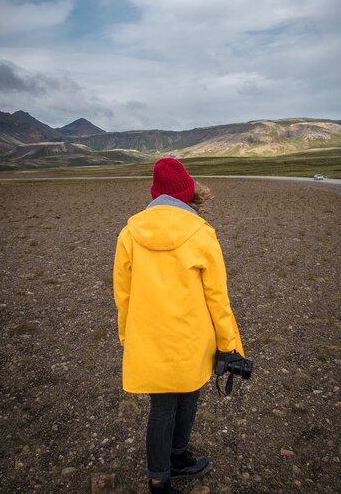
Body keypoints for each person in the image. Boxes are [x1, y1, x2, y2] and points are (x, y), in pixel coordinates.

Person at [113, 157, 244, 494]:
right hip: (191, 338)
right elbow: (217, 297)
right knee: (187, 396)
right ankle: (171, 465)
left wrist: (127, 336)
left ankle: (167, 470)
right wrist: (228, 344)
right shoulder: (201, 233)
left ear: (156, 194)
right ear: (187, 192)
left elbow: (122, 294)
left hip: (150, 338)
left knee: (164, 405)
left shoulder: (129, 233)